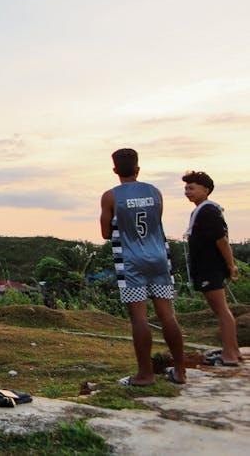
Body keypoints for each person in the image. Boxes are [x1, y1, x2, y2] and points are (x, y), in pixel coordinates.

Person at [100, 148, 187, 385]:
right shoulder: (155, 192)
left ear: (115, 170)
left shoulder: (111, 196)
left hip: (131, 262)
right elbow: (156, 221)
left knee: (139, 318)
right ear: (138, 169)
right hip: (159, 257)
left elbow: (106, 232)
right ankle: (180, 371)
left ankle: (145, 374)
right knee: (167, 315)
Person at [182, 170, 243, 366]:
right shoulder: (200, 210)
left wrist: (231, 265)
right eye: (185, 188)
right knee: (221, 310)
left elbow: (222, 241)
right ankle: (233, 351)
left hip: (211, 268)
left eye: (192, 188)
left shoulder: (209, 211)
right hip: (206, 267)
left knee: (221, 310)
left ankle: (230, 355)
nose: (187, 191)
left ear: (206, 190)